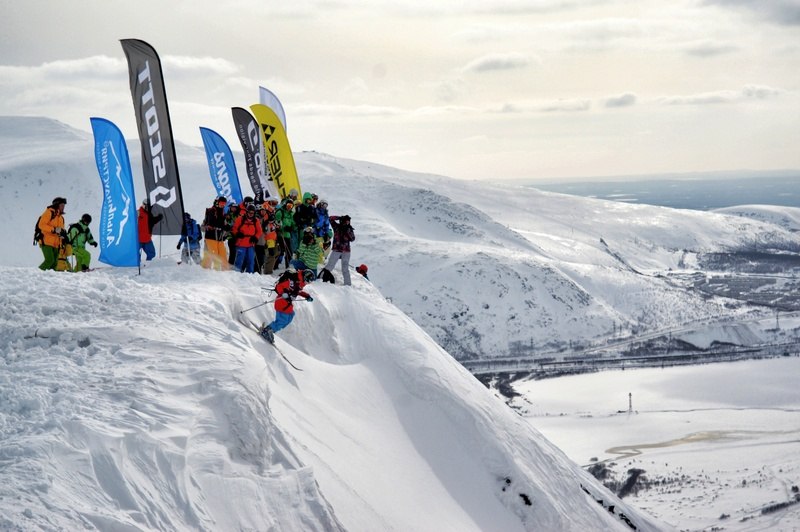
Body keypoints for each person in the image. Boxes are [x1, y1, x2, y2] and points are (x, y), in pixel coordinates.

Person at [260, 267, 313, 343]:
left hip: (288, 304)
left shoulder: (300, 282)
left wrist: (306, 296)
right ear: (305, 277)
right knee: (283, 320)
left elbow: (298, 291)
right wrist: (283, 293)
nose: (307, 283)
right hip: (282, 302)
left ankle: (270, 330)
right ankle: (267, 330)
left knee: (289, 317)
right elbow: (279, 286)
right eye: (308, 281)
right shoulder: (293, 280)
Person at [321, 215, 355, 285]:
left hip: (346, 251)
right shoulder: (337, 227)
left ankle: (348, 285)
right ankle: (321, 278)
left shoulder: (349, 229)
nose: (347, 223)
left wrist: (348, 230)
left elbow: (353, 239)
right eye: (346, 221)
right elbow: (330, 218)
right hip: (337, 250)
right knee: (330, 265)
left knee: (345, 268)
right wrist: (339, 217)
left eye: (348, 221)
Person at [37, 197, 67, 271]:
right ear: (57, 205)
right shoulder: (49, 212)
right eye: (62, 205)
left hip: (56, 244)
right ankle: (35, 274)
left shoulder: (61, 218)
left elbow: (60, 231)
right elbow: (41, 225)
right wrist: (54, 229)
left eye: (64, 205)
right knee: (49, 260)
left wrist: (63, 236)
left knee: (54, 264)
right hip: (46, 241)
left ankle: (50, 281)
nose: (63, 207)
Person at [231, 204, 263, 273]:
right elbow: (234, 228)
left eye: (253, 213)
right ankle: (236, 273)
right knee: (240, 259)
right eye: (249, 212)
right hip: (241, 242)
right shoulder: (240, 219)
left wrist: (255, 237)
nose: (251, 214)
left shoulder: (256, 221)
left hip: (250, 243)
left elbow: (259, 231)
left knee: (251, 260)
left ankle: (249, 275)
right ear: (246, 212)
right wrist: (237, 233)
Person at [202, 196, 230, 270]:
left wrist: (227, 227)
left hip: (219, 238)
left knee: (223, 255)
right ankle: (215, 272)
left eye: (224, 203)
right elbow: (212, 222)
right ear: (217, 202)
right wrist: (223, 225)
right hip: (211, 237)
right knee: (215, 255)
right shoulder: (212, 211)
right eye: (221, 203)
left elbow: (224, 223)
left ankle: (225, 271)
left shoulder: (222, 212)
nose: (223, 205)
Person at [275, 198, 297, 267]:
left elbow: (294, 223)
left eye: (291, 206)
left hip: (287, 235)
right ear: (285, 204)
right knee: (280, 251)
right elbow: (276, 222)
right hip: (280, 235)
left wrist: (292, 228)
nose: (289, 207)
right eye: (288, 205)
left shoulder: (292, 214)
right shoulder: (280, 212)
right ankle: (275, 264)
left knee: (289, 251)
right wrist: (283, 228)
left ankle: (288, 266)